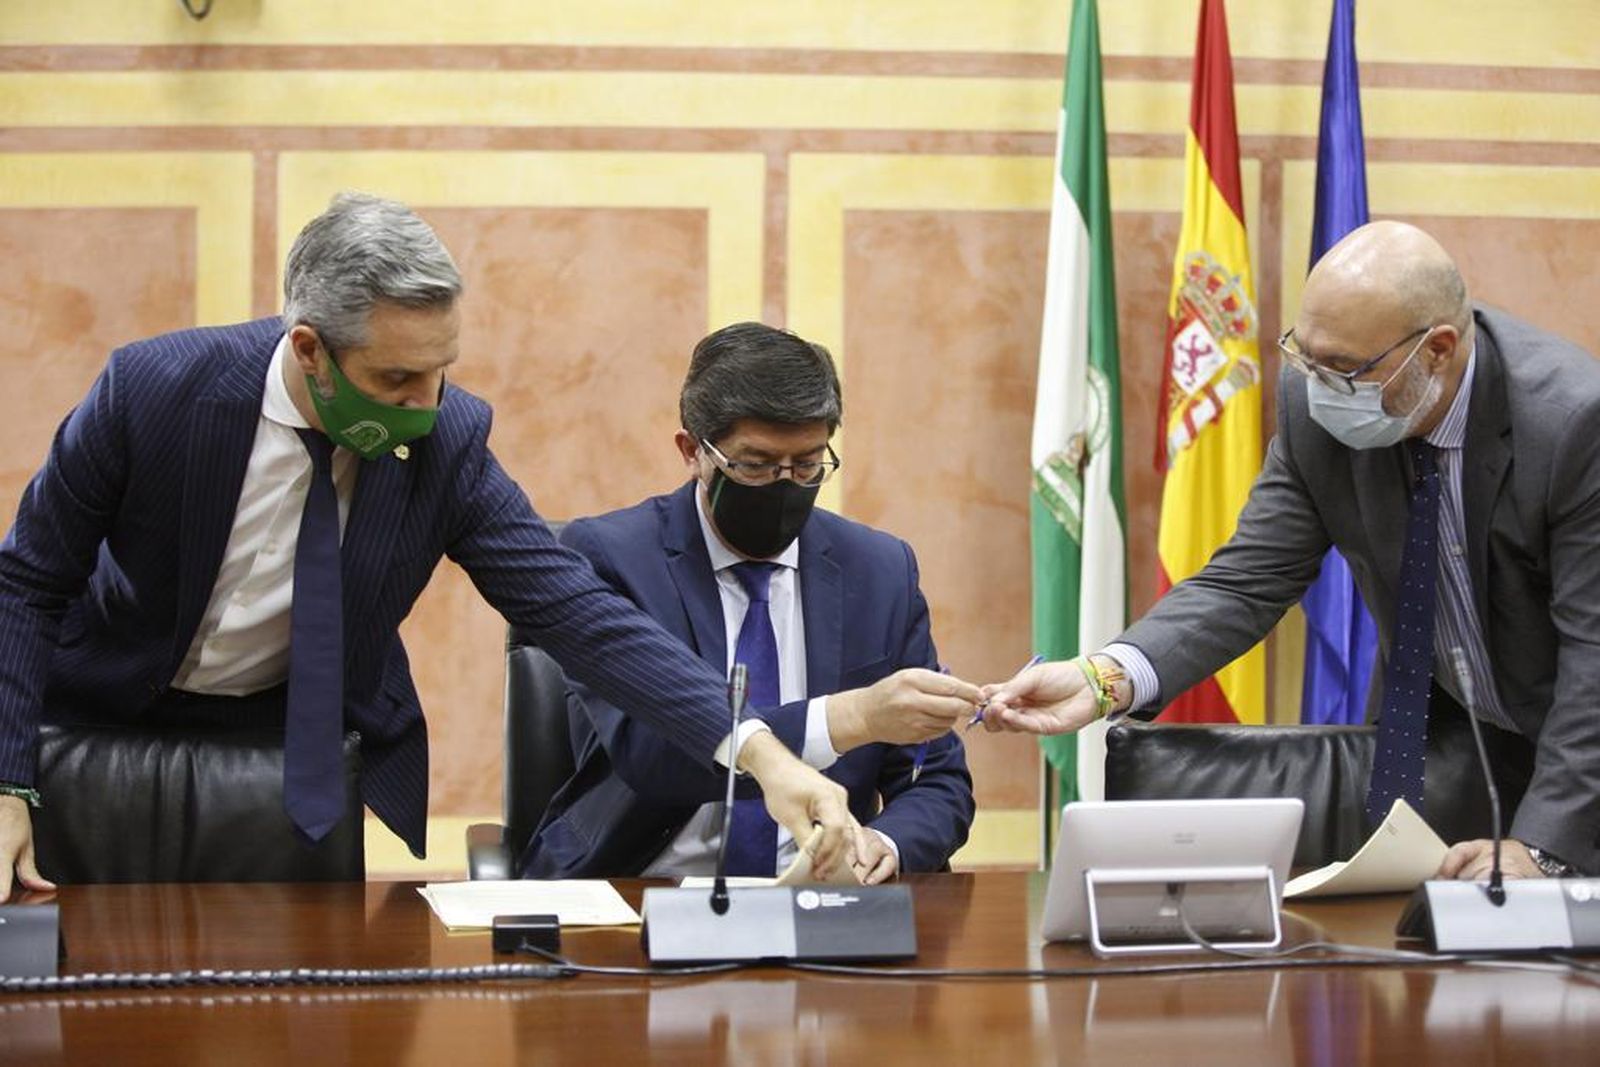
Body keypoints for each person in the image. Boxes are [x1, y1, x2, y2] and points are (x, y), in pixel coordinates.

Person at [0, 192, 859, 899]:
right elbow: (28, 582)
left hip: (292, 744)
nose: (426, 401)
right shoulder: (152, 393)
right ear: (310, 349)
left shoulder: (447, 441)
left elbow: (579, 615)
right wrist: (3, 782)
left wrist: (758, 752)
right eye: (396, 379)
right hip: (98, 725)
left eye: (440, 370)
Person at [982, 220, 1600, 880]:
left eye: (1343, 368)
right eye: (1304, 355)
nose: (1317, 384)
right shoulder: (1315, 408)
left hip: (1580, 749)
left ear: (1437, 351)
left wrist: (1543, 848)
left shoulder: (1571, 424)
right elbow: (1245, 580)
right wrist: (1102, 677)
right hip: (1459, 743)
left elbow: (1593, 655)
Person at [520, 322, 978, 882]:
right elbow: (652, 756)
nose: (784, 486)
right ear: (693, 451)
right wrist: (849, 718)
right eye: (755, 466)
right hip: (645, 885)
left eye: (807, 465)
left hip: (824, 896)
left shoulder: (880, 571)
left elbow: (935, 778)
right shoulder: (613, 559)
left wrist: (885, 844)